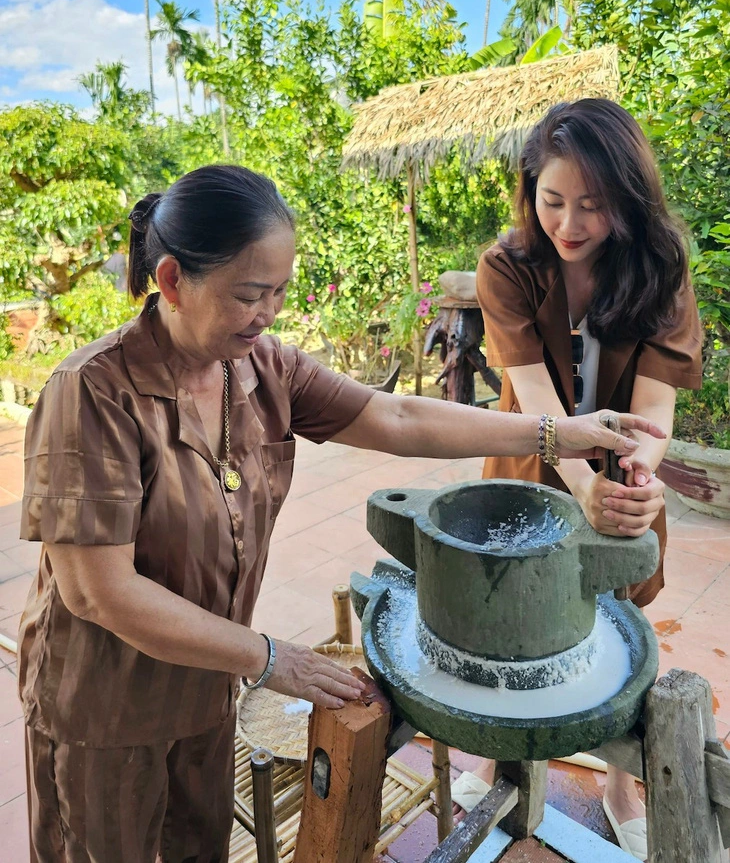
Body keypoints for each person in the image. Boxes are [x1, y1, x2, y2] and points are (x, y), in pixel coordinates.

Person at [17, 164, 664, 863]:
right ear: (173, 281)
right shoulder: (91, 391)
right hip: (101, 707)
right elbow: (98, 589)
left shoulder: (262, 367)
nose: (268, 313)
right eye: (248, 294)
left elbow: (398, 415)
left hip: (206, 688)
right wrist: (270, 658)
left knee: (196, 848)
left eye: (280, 292)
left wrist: (554, 432)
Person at [471, 99, 702, 860]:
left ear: (627, 201)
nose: (570, 223)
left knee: (619, 620)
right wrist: (583, 483)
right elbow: (538, 406)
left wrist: (638, 476)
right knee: (514, 620)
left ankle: (621, 782)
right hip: (531, 467)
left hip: (615, 475)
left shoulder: (661, 268)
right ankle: (497, 758)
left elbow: (655, 408)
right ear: (530, 189)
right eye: (554, 200)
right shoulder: (508, 266)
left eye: (594, 206)